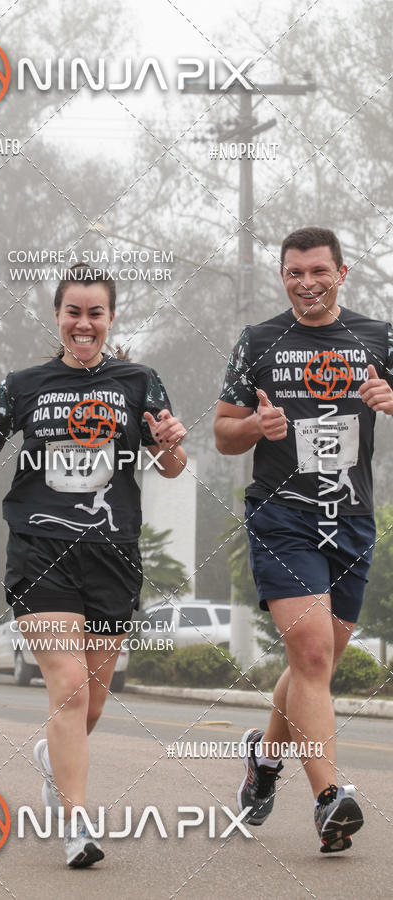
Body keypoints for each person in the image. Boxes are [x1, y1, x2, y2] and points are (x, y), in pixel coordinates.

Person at [0, 263, 187, 867]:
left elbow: (170, 465)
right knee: (70, 690)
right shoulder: (23, 385)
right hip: (40, 553)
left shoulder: (139, 381)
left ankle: (52, 761)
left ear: (110, 318)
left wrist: (174, 446)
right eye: (73, 311)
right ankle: (77, 825)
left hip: (112, 558)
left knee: (92, 704)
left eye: (95, 312)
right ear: (57, 316)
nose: (84, 323)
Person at [214, 226, 393, 853]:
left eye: (318, 271)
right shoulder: (259, 341)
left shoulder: (378, 337)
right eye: (294, 272)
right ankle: (329, 800)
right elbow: (221, 432)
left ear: (341, 274)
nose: (306, 283)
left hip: (351, 518)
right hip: (282, 517)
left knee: (315, 662)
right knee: (313, 655)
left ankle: (264, 758)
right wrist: (255, 427)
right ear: (282, 276)